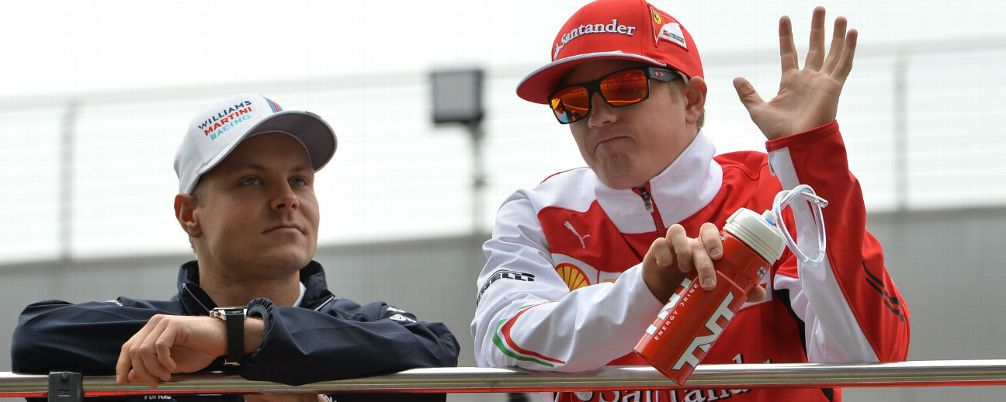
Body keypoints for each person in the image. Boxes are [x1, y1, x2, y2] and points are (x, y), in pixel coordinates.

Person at [471, 0, 910, 401]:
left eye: (624, 87)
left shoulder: (775, 191)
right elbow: (502, 341)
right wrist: (645, 290)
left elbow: (869, 353)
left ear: (692, 100)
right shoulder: (538, 213)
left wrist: (810, 156)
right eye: (572, 102)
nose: (598, 116)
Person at [11, 93, 460, 402]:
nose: (287, 198)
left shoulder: (380, 329)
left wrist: (231, 337)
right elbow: (37, 335)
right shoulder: (151, 330)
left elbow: (437, 349)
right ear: (190, 214)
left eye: (299, 180)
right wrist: (216, 337)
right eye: (251, 180)